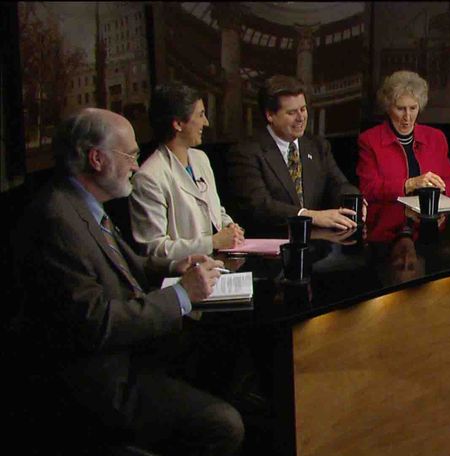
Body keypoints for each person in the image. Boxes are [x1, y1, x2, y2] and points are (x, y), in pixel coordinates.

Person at [12, 108, 244, 454]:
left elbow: (122, 264)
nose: (136, 165)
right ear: (97, 158)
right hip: (103, 382)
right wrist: (181, 295)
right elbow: (97, 323)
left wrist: (174, 266)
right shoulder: (56, 220)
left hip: (133, 353)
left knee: (233, 358)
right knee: (224, 424)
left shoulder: (83, 203)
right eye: (131, 155)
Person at [227, 75, 361, 231]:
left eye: (303, 109)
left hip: (317, 244)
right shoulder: (246, 152)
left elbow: (339, 185)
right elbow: (260, 206)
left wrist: (355, 202)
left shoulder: (317, 146)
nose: (301, 118)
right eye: (291, 113)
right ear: (270, 115)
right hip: (271, 242)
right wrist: (310, 216)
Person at [129, 82, 244, 260]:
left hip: (215, 267)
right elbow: (154, 249)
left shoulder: (201, 159)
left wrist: (230, 227)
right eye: (201, 115)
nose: (206, 122)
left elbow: (215, 210)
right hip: (181, 277)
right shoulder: (148, 178)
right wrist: (212, 242)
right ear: (178, 124)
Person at [357, 70, 450, 202]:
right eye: (400, 109)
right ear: (388, 107)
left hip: (430, 217)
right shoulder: (369, 140)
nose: (407, 116)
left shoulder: (436, 138)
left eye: (413, 108)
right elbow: (367, 189)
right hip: (388, 219)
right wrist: (409, 184)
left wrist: (440, 188)